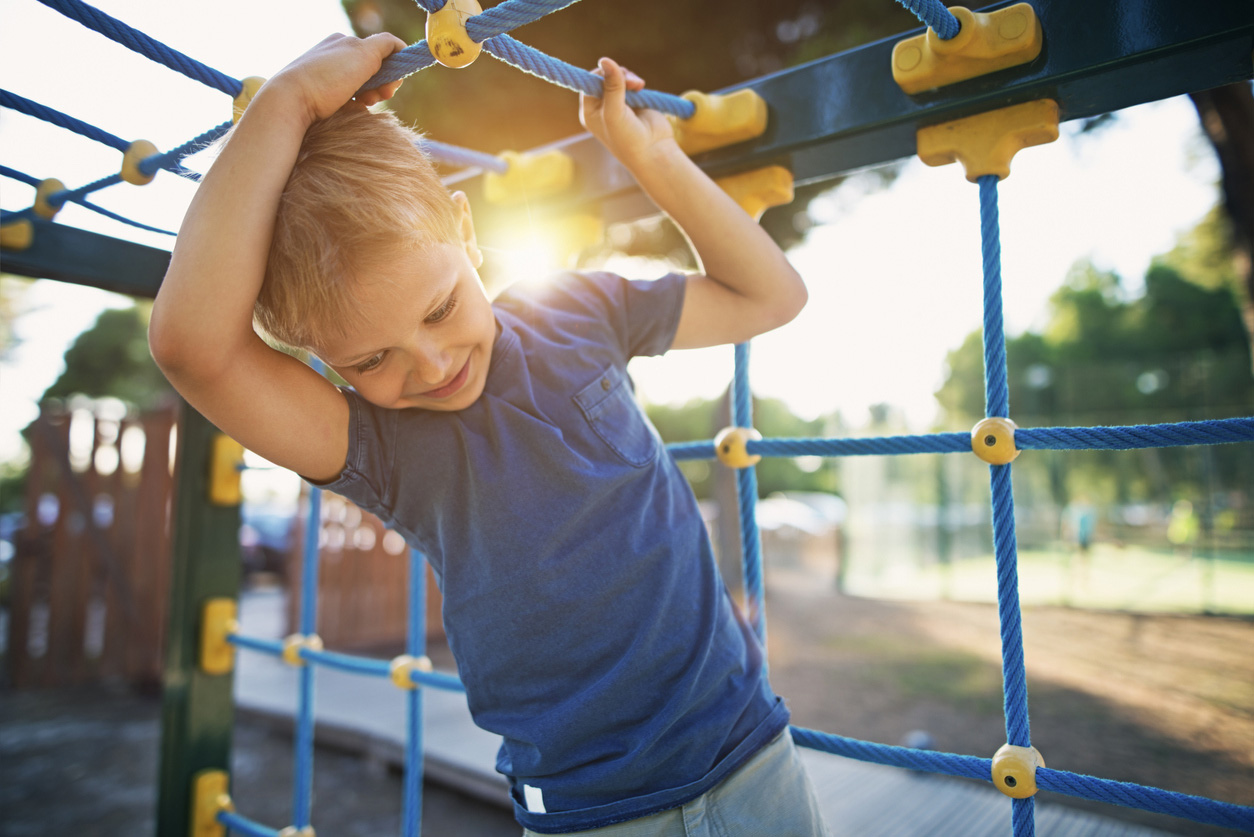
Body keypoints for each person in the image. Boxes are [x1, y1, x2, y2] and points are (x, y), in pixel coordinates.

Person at [149, 33, 827, 836]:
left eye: (439, 307)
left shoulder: (578, 312)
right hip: (596, 810)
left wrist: (653, 161)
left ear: (465, 233)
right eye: (371, 358)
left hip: (752, 746)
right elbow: (194, 348)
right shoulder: (382, 449)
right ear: (322, 364)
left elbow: (770, 296)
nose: (430, 364)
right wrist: (285, 102)